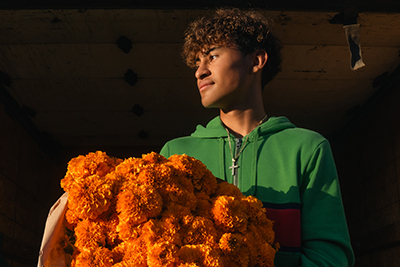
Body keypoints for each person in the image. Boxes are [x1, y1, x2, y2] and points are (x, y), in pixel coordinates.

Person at [160, 8, 355, 267]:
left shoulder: (307, 148)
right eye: (197, 62)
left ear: (256, 60)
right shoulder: (175, 154)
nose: (200, 71)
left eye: (212, 56)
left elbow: (330, 257)